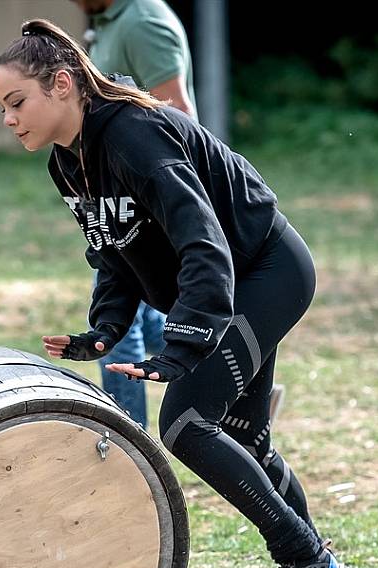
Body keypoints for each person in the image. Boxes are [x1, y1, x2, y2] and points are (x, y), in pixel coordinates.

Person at [0, 19, 361, 568]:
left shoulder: (134, 136)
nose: (7, 118)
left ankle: (309, 566)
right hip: (233, 286)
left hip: (265, 272)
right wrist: (105, 328)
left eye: (16, 102)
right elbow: (115, 251)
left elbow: (202, 239)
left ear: (62, 84)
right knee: (245, 440)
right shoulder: (69, 162)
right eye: (3, 107)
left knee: (186, 424)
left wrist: (185, 338)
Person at [74, 0, 283, 429]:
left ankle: (129, 443)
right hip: (126, 208)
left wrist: (163, 205)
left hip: (153, 208)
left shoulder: (143, 22)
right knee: (152, 321)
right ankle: (238, 381)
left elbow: (174, 112)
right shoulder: (107, 22)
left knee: (125, 334)